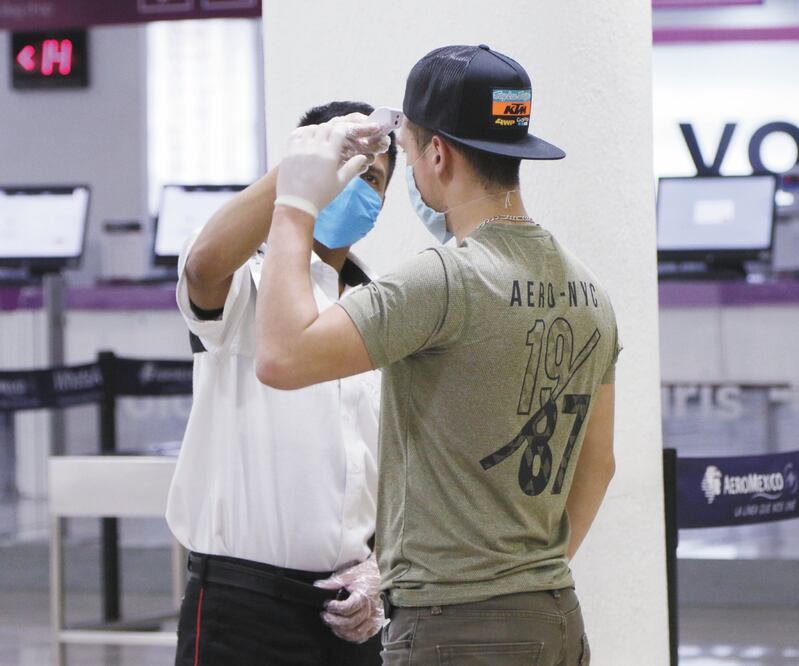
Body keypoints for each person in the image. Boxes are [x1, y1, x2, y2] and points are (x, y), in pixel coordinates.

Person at [254, 45, 620, 665]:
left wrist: (293, 204)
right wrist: (527, 578)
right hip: (554, 612)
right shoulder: (589, 290)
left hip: (456, 628)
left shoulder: (443, 282)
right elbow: (599, 464)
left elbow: (283, 357)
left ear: (438, 153)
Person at [167, 100, 396, 666]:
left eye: (372, 176)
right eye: (343, 166)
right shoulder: (250, 278)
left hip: (350, 609)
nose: (356, 183)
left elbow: (389, 463)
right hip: (242, 608)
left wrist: (382, 568)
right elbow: (202, 267)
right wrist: (303, 169)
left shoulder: (384, 306)